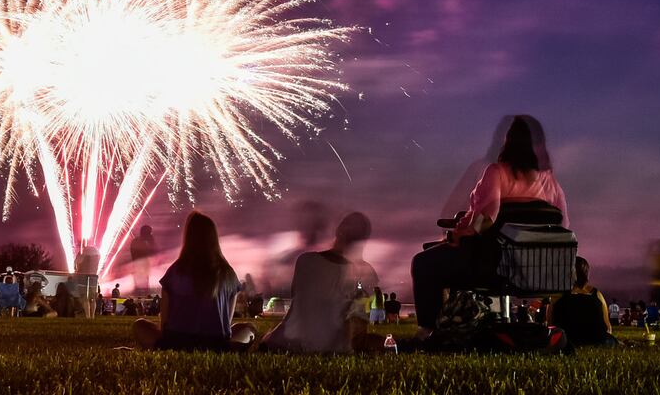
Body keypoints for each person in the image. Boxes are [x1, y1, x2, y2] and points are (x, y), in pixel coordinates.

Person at [410, 115, 568, 333]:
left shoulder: (496, 173)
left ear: (507, 141)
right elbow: (564, 227)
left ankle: (430, 330)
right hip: (534, 268)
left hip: (490, 264)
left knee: (423, 262)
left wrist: (462, 233)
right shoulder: (551, 184)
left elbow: (487, 218)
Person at [133, 211, 255, 352]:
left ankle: (159, 347)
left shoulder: (176, 271)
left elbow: (165, 321)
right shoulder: (228, 274)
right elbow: (226, 322)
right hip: (216, 344)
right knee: (249, 328)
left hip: (176, 342)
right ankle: (231, 349)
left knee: (140, 325)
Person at [262, 212, 375, 353]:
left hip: (290, 342)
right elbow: (360, 322)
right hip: (336, 348)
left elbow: (297, 305)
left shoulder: (306, 261)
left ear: (338, 231)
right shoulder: (368, 274)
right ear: (363, 240)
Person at [547, 257, 615, 347]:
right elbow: (608, 327)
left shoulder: (556, 296)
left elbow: (551, 325)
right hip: (599, 340)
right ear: (586, 273)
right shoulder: (596, 294)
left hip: (568, 341)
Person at [130, 225, 156, 295]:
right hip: (141, 263)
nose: (151, 234)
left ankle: (140, 290)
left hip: (139, 263)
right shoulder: (143, 241)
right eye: (149, 232)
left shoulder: (135, 241)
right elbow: (152, 251)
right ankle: (142, 291)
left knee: (142, 278)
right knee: (143, 278)